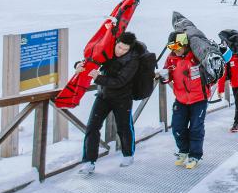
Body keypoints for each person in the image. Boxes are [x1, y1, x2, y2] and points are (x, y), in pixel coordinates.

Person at [78, 32, 147, 174]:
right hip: (103, 96)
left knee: (123, 127)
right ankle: (89, 162)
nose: (120, 51)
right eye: (119, 47)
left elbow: (120, 81)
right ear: (116, 43)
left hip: (122, 98)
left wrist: (98, 78)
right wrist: (78, 65)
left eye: (124, 49)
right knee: (92, 127)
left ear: (130, 49)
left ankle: (128, 155)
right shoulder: (108, 51)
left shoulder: (133, 60)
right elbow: (93, 60)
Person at [158, 32, 208, 169]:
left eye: (177, 46)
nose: (175, 50)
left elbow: (211, 68)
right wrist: (164, 77)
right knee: (177, 127)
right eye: (171, 47)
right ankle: (184, 150)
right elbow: (168, 76)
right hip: (181, 99)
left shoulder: (196, 55)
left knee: (196, 128)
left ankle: (195, 154)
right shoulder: (171, 59)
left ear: (185, 44)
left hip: (199, 99)